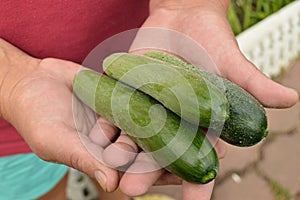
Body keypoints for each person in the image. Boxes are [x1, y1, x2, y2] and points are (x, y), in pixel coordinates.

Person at [0, 0, 298, 200]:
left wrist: (187, 4)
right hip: (12, 120)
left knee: (116, 175)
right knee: (40, 190)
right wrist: (10, 78)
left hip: (138, 39)